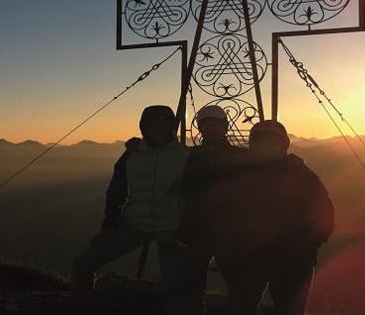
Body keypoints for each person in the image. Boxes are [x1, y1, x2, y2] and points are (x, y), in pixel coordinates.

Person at [71, 105, 191, 314]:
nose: (157, 129)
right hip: (134, 224)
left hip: (172, 230)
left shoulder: (186, 156)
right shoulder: (131, 155)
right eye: (152, 125)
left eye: (163, 124)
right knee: (82, 264)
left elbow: (197, 191)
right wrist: (109, 224)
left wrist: (189, 227)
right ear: (143, 128)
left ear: (172, 127)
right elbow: (116, 191)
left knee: (177, 289)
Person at [206, 120, 335, 315]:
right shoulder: (240, 174)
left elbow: (324, 215)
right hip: (255, 258)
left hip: (287, 259)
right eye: (262, 142)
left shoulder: (297, 174)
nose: (267, 147)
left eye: (272, 142)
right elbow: (219, 211)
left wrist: (306, 245)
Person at [176, 105, 250, 315]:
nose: (211, 129)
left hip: (228, 230)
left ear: (224, 127)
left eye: (214, 124)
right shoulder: (189, 156)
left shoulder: (241, 156)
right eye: (207, 125)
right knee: (195, 283)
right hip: (199, 229)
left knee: (235, 284)